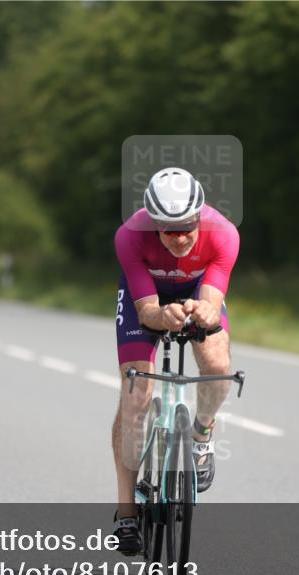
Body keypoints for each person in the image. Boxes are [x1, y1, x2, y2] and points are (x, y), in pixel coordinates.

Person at [111, 167, 240, 555]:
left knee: (218, 366)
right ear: (153, 225)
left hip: (199, 292)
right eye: (169, 230)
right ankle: (127, 512)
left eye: (187, 226)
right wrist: (160, 315)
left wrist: (204, 313)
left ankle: (201, 435)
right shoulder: (130, 237)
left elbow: (214, 305)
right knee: (136, 395)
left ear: (200, 215)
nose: (181, 237)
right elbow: (147, 308)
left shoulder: (224, 234)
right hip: (146, 299)